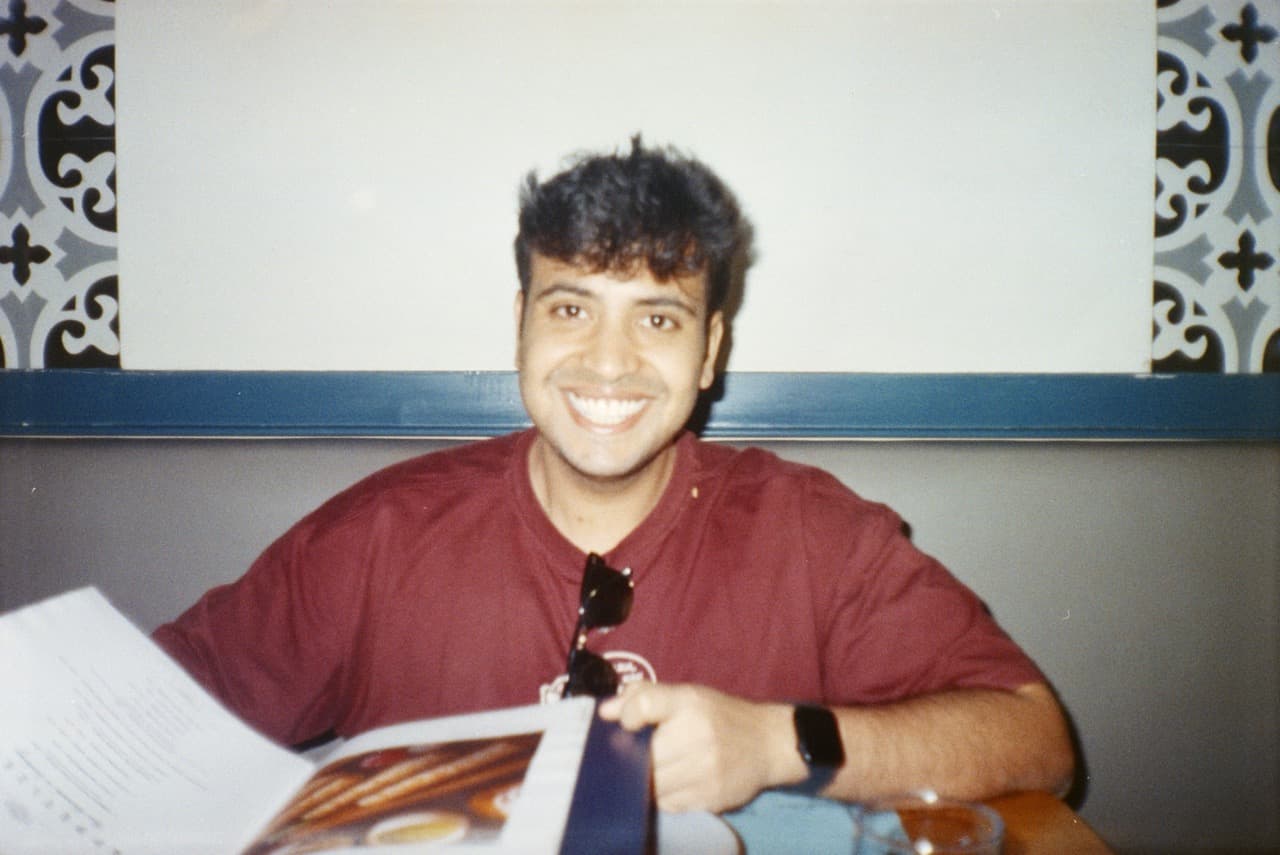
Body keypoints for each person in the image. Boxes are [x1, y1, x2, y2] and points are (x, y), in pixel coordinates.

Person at [153, 137, 1074, 815]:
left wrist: (774, 741)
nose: (609, 361)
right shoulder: (375, 538)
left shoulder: (814, 534)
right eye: (571, 308)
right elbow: (146, 724)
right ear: (521, 321)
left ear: (711, 349)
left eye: (659, 320)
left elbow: (1037, 738)